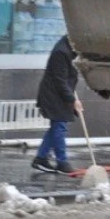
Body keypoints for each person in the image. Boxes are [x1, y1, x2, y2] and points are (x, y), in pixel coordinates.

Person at [32, 35, 83, 173]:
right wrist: (73, 100)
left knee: (57, 128)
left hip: (59, 95)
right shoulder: (61, 52)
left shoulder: (70, 49)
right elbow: (60, 80)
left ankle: (41, 158)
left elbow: (68, 77)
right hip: (53, 96)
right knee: (59, 127)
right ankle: (62, 161)